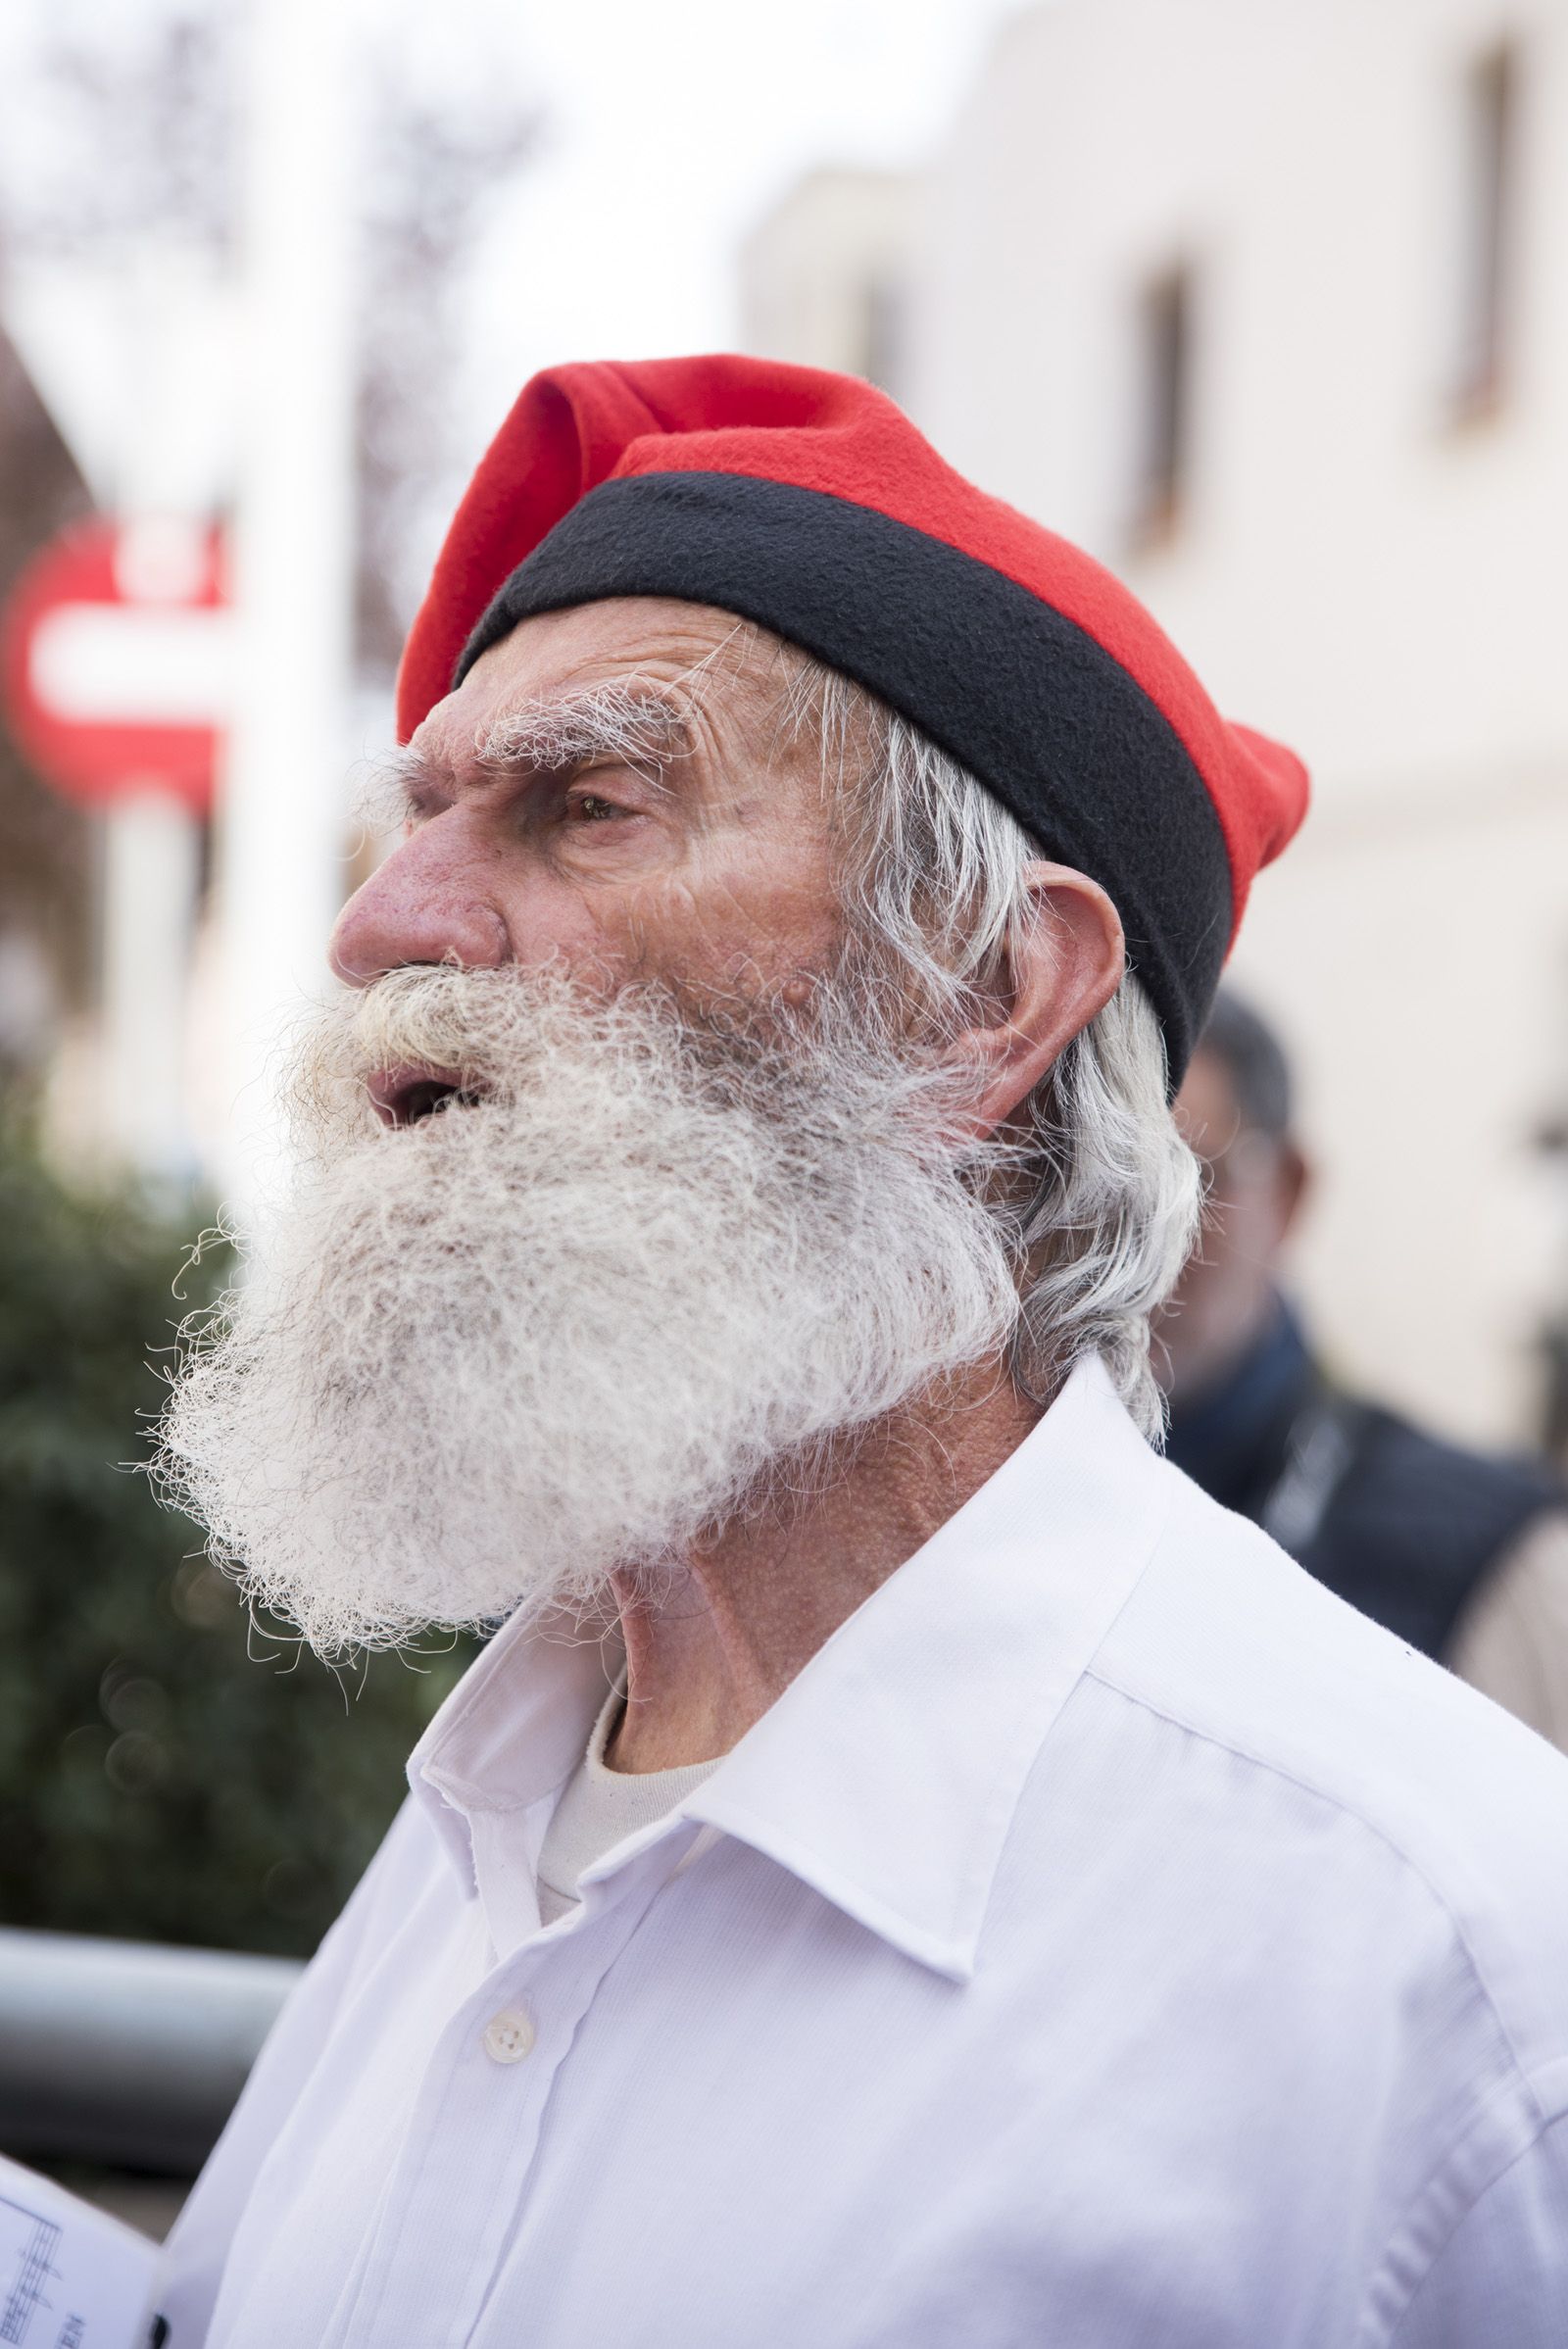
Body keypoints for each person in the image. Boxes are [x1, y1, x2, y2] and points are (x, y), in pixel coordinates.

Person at [151, 357, 1568, 2347]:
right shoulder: (492, 1790)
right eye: (418, 816)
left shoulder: (1444, 1961)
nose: (383, 922)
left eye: (584, 804)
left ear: (985, 991)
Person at [1163, 989, 1568, 1750]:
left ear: (1287, 1194)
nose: (1127, 1239)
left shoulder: (1495, 1561)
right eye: (1072, 1179)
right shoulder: (955, 1507)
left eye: (1185, 1179)